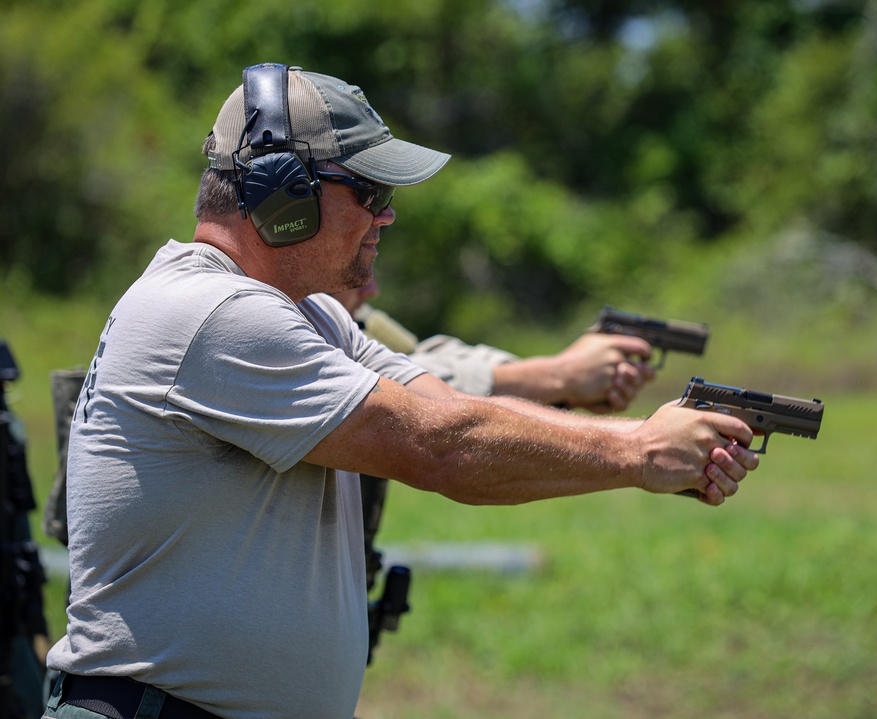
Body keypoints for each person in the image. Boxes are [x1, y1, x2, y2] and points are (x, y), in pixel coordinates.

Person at [44, 63, 759, 719]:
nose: (386, 216)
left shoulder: (311, 314)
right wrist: (637, 449)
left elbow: (444, 409)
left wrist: (633, 438)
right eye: (370, 191)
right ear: (281, 191)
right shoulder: (212, 313)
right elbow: (440, 449)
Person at [317, 274, 658, 412]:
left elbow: (418, 356)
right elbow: (407, 385)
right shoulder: (302, 320)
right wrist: (561, 375)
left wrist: (560, 387)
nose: (371, 288)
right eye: (356, 274)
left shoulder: (362, 319)